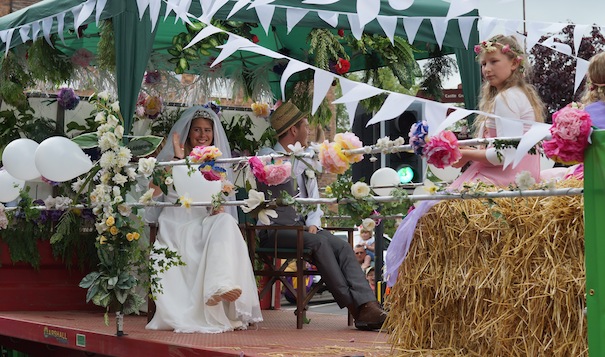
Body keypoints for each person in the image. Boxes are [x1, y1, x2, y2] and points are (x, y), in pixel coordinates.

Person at [386, 34, 545, 287]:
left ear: (514, 63)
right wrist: (461, 151)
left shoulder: (506, 98)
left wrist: (463, 153)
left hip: (504, 179)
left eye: (494, 61)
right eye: (483, 64)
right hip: (513, 175)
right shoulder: (514, 94)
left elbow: (502, 156)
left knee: (430, 213)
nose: (487, 69)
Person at [256, 101, 386, 331]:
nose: (309, 131)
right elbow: (283, 174)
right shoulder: (269, 156)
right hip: (275, 231)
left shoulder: (306, 158)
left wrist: (314, 223)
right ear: (294, 130)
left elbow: (314, 200)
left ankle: (368, 303)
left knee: (342, 245)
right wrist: (310, 157)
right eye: (305, 126)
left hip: (304, 230)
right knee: (318, 243)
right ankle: (356, 307)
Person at [145, 106, 262, 333]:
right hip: (177, 224)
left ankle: (220, 286)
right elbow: (152, 195)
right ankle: (217, 288)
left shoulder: (216, 167)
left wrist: (217, 207)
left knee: (227, 222)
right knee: (220, 228)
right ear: (189, 132)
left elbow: (219, 203)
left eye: (207, 130)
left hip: (203, 223)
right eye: (197, 129)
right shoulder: (172, 161)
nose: (202, 135)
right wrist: (176, 164)